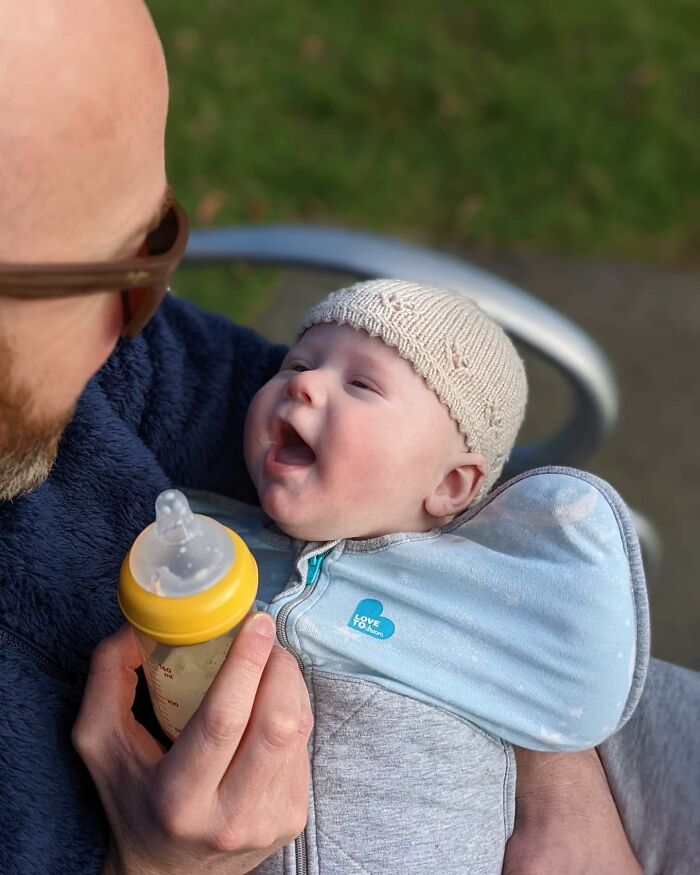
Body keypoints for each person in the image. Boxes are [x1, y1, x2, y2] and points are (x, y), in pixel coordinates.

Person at [0, 1, 696, 874]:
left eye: (161, 246)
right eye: (122, 268)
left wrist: (556, 774)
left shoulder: (118, 367)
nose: (142, 318)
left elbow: (554, 644)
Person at [188, 279, 647, 873]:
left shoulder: (478, 603)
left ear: (450, 485)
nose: (302, 382)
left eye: (361, 383)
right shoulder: (217, 544)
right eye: (296, 364)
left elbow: (580, 674)